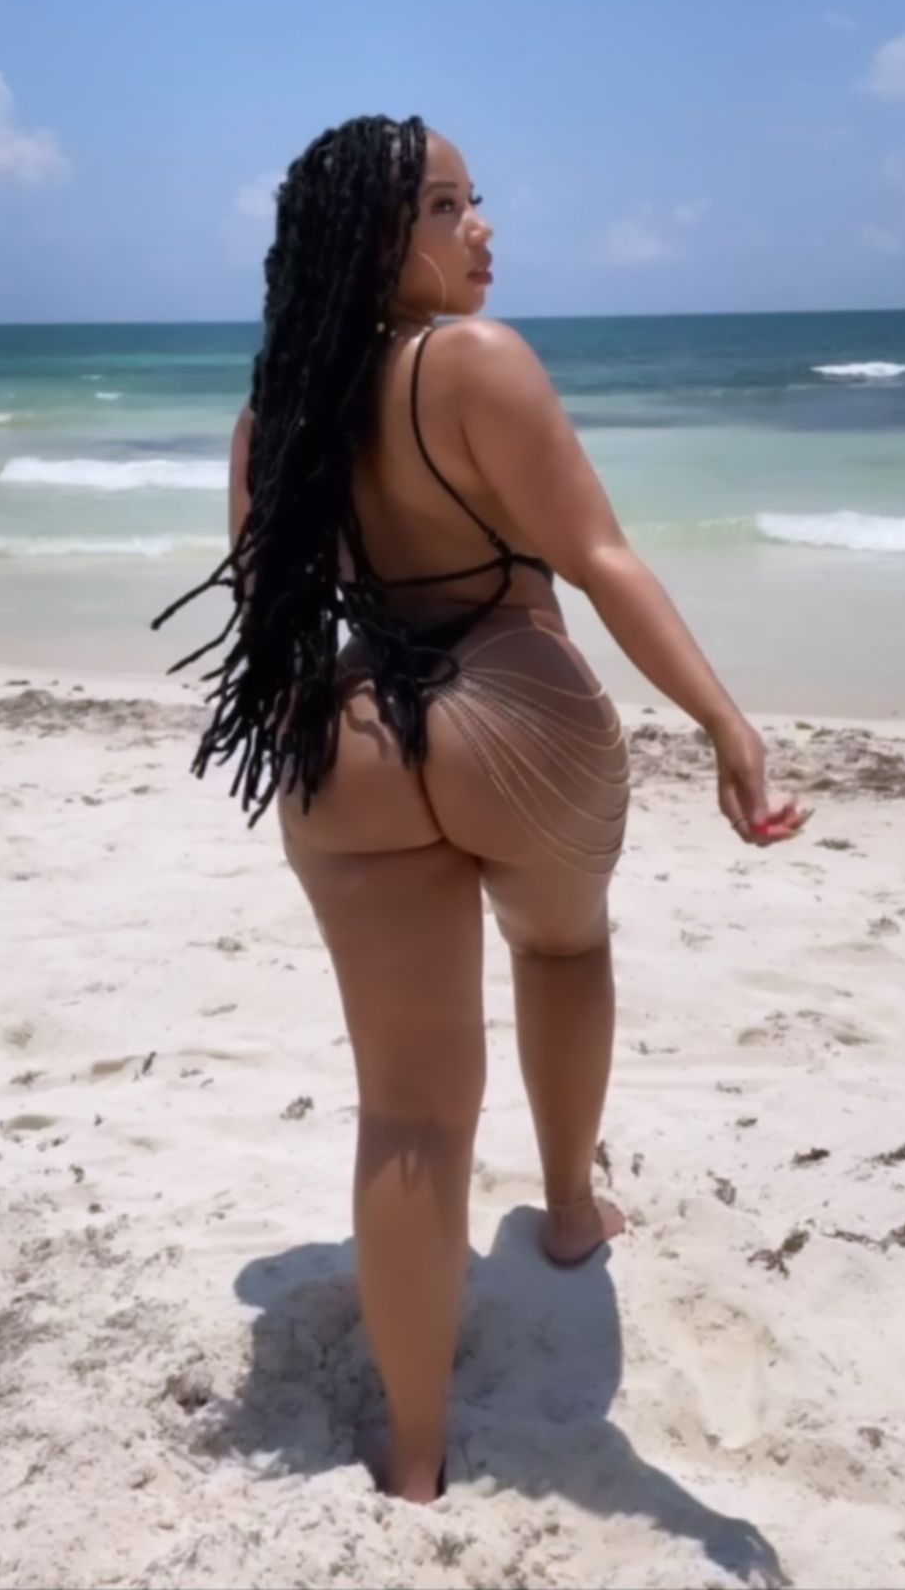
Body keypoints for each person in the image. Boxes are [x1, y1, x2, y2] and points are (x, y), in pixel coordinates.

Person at [154, 114, 807, 1506]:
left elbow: (273, 628)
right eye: (446, 208)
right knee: (562, 947)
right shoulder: (475, 362)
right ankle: (568, 1213)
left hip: (355, 738)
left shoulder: (276, 415)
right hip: (520, 714)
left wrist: (320, 759)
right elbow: (600, 557)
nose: (481, 229)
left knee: (408, 1113)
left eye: (473, 200)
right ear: (372, 243)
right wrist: (727, 725)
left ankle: (413, 1459)